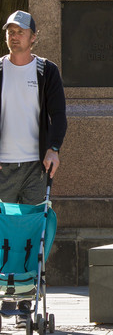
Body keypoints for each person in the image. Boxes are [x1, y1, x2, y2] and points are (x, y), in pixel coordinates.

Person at [0, 10, 65, 203]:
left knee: (33, 226)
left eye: (21, 32)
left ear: (33, 37)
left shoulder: (47, 71)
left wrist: (53, 149)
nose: (15, 36)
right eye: (11, 32)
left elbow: (59, 115)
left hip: (36, 167)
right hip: (3, 166)